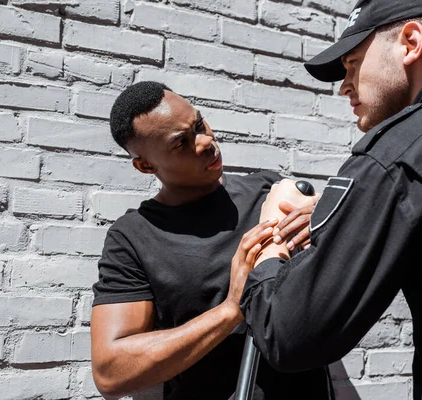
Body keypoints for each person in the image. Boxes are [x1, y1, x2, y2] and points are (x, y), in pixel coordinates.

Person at [237, 0, 422, 399]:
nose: (344, 85)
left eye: (353, 63)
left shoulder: (401, 151)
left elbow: (288, 334)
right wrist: (350, 209)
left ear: (410, 42)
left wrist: (270, 240)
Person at [89, 81, 333, 399]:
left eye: (200, 123)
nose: (205, 142)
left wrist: (328, 218)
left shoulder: (267, 192)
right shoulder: (133, 238)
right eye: (181, 143)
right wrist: (232, 308)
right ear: (146, 165)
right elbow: (110, 373)